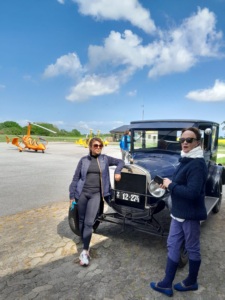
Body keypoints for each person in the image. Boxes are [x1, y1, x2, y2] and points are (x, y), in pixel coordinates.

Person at [150, 127, 207, 297]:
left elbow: (192, 193)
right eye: (182, 140)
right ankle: (167, 283)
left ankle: (191, 281)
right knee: (172, 244)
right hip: (178, 212)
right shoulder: (186, 159)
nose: (184, 143)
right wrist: (168, 183)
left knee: (192, 248)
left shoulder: (197, 164)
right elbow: (182, 183)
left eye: (189, 140)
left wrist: (171, 185)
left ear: (198, 142)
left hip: (190, 214)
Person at [69, 137, 125, 267]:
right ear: (90, 147)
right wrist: (72, 195)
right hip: (82, 194)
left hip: (96, 195)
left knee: (89, 222)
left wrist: (117, 172)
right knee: (81, 220)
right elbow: (75, 178)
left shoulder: (105, 159)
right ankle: (84, 239)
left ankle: (85, 251)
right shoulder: (83, 160)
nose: (98, 147)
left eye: (100, 145)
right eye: (96, 145)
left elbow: (121, 161)